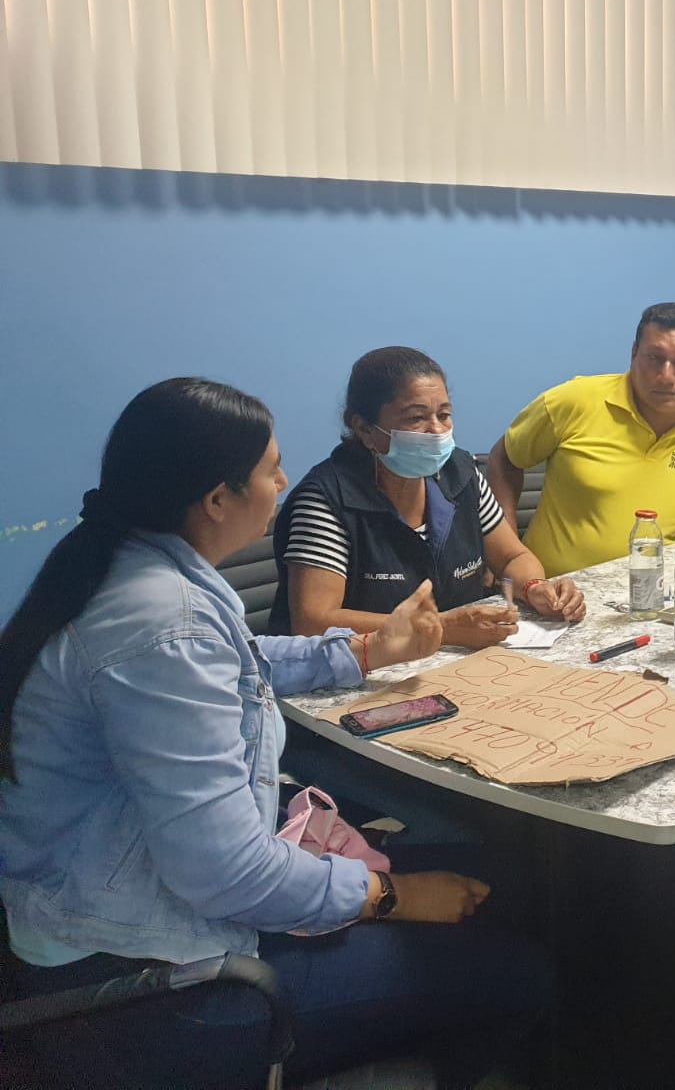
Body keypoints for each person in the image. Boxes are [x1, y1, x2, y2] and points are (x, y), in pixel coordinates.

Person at [0, 379, 552, 1088]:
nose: (283, 482)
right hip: (156, 980)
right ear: (217, 499)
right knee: (519, 971)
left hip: (142, 902)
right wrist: (396, 896)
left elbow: (240, 662)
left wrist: (368, 651)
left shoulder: (134, 567)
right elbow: (230, 874)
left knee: (495, 874)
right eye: (271, 469)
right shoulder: (163, 624)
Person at [270, 346, 585, 645]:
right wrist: (442, 628)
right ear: (364, 428)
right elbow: (313, 622)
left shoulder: (460, 474)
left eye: (444, 415)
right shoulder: (326, 500)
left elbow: (512, 557)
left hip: (456, 661)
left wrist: (534, 588)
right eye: (416, 418)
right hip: (359, 670)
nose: (436, 430)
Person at [487, 302, 675, 576]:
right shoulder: (572, 401)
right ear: (634, 354)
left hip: (656, 591)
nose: (666, 376)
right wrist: (507, 556)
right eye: (654, 358)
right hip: (551, 590)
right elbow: (504, 459)